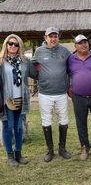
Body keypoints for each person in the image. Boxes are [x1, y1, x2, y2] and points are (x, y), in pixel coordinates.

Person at [31, 27, 71, 162]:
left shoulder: (65, 51)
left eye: (55, 36)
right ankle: (50, 150)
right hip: (45, 93)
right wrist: (40, 77)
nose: (53, 39)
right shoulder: (39, 51)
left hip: (61, 92)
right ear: (45, 38)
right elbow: (31, 66)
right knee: (46, 121)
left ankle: (62, 149)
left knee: (64, 120)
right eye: (50, 36)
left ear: (59, 37)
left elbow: (74, 63)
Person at [0, 34, 38, 167]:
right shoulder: (1, 62)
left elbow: (36, 73)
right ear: (6, 44)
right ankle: (10, 155)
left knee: (18, 127)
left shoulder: (24, 62)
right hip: (5, 100)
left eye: (16, 44)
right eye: (10, 43)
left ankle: (19, 153)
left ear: (20, 46)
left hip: (21, 99)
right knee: (7, 127)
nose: (13, 46)